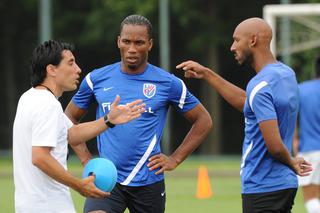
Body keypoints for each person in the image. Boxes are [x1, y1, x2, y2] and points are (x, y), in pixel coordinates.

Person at [65, 14, 212, 213]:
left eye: (139, 42)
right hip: (107, 177)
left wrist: (175, 158)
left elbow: (203, 120)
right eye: (126, 41)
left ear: (149, 44)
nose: (132, 49)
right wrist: (86, 159)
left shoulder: (168, 83)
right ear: (118, 42)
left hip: (149, 181)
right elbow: (69, 118)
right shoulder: (96, 79)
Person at [177, 17, 312, 213]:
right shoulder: (286, 74)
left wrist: (292, 162)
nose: (232, 47)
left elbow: (274, 146)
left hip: (262, 186)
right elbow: (247, 102)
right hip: (284, 185)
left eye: (236, 40)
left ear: (253, 40)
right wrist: (207, 74)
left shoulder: (260, 85)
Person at [12, 40, 145, 213]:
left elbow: (72, 134)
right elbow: (39, 157)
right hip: (48, 206)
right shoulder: (47, 105)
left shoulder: (29, 97)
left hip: (28, 205)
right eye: (71, 63)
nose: (78, 69)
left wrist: (109, 119)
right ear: (51, 70)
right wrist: (79, 185)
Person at [293, 56, 320, 213]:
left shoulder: (302, 89)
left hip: (309, 149)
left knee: (311, 198)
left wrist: (295, 151)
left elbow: (294, 125)